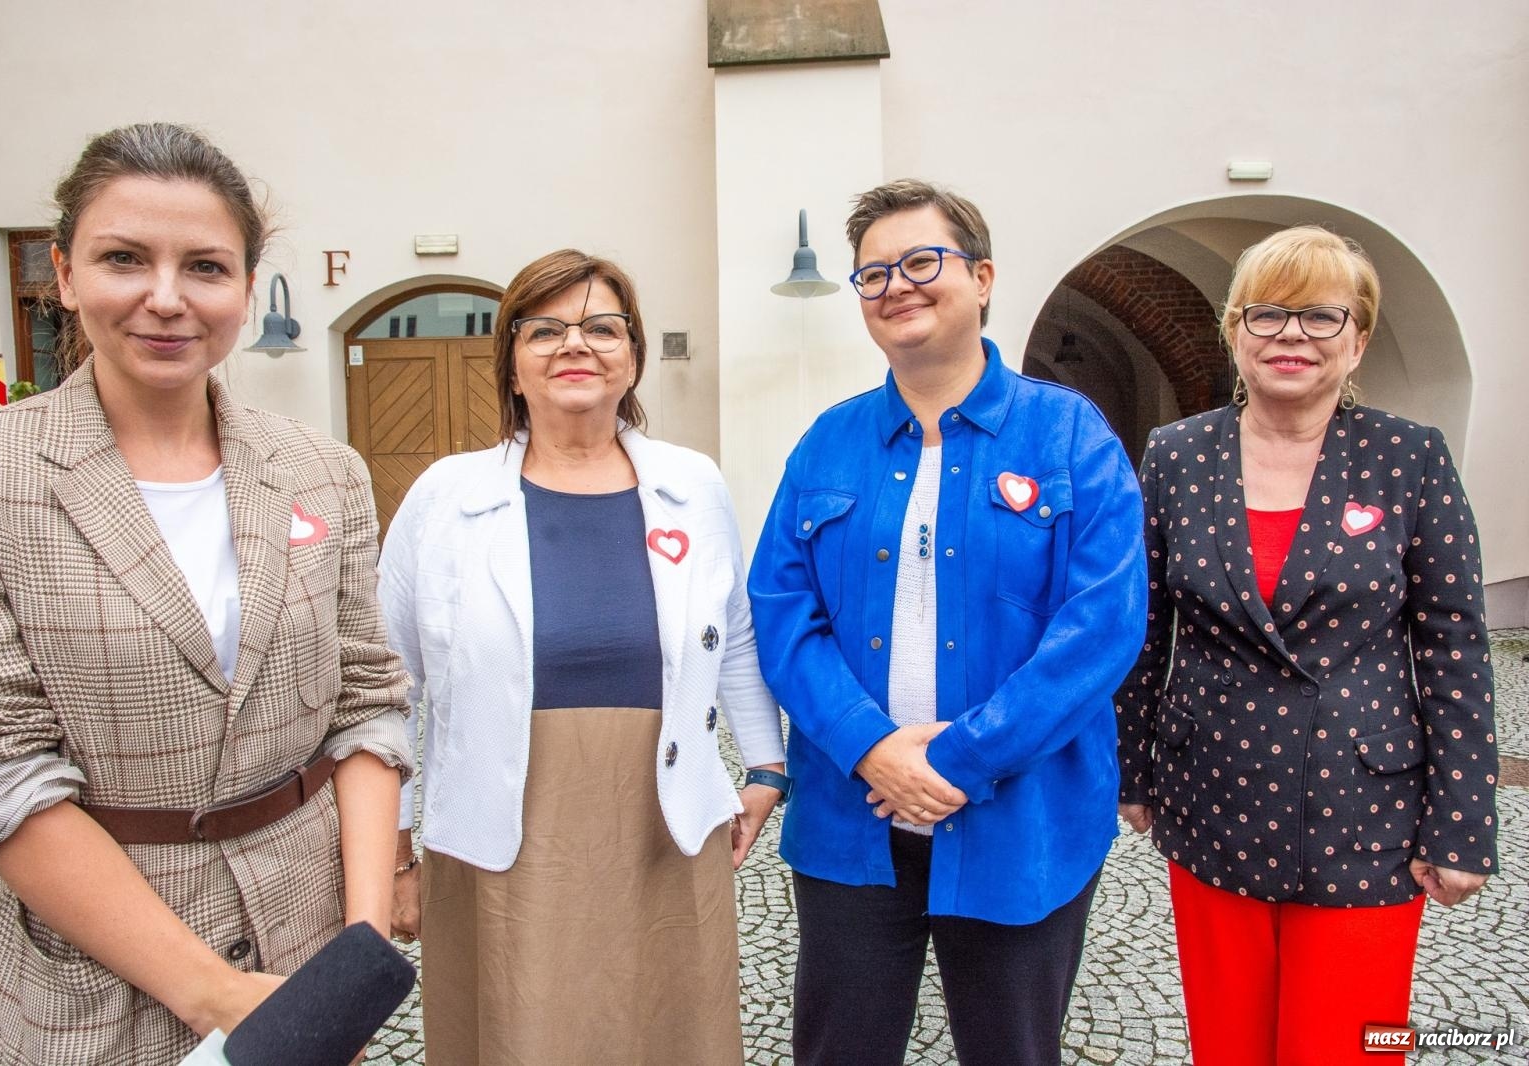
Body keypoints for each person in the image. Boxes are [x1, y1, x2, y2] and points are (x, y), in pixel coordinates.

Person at [0, 122, 413, 1064]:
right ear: (65, 274)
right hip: (84, 970)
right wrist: (219, 995)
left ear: (242, 288)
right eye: (123, 259)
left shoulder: (323, 470)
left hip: (302, 933)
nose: (165, 299)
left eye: (204, 266)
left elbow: (364, 703)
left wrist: (355, 955)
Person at [746, 179, 1148, 1066]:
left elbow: (1101, 630)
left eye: (922, 262)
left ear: (984, 277)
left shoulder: (1070, 436)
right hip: (855, 824)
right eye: (873, 274)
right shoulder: (826, 442)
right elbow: (780, 611)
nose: (897, 286)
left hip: (1023, 822)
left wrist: (959, 758)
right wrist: (871, 746)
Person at [378, 248, 787, 1066]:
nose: (576, 345)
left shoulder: (693, 483)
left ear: (632, 357)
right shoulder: (445, 497)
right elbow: (389, 683)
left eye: (602, 327)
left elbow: (734, 630)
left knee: (667, 1027)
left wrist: (768, 768)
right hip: (500, 832)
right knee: (522, 1031)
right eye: (546, 329)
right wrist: (393, 847)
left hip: (660, 822)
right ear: (513, 363)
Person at [1115, 225, 1499, 1066]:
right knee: (1231, 1042)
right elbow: (1141, 628)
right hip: (1213, 791)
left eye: (1321, 318)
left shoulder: (1409, 458)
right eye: (1268, 314)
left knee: (1350, 1044)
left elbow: (1453, 648)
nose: (1292, 336)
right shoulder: (1176, 456)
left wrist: (1463, 822)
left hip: (1367, 808)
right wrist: (1131, 769)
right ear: (1235, 333)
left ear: (1357, 341)